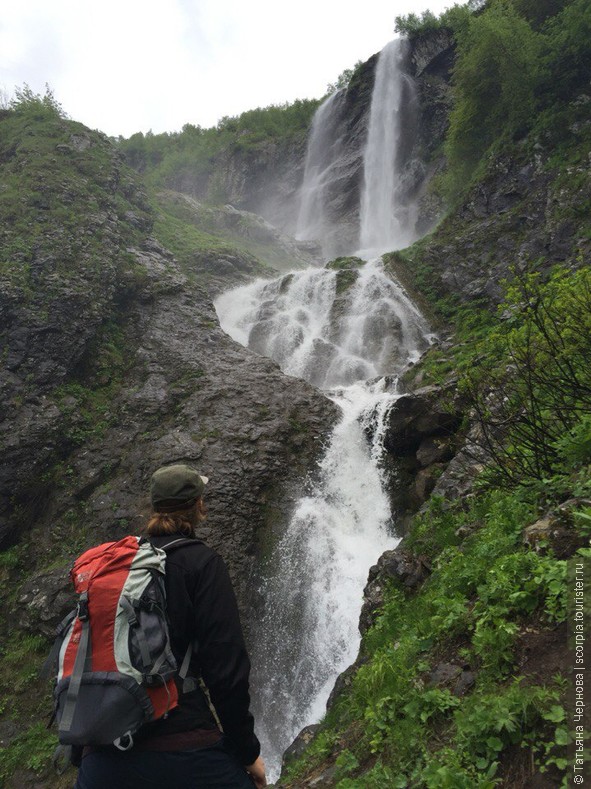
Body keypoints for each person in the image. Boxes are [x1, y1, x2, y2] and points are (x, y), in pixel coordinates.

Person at [75, 463, 267, 789]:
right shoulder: (201, 563)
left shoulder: (118, 569)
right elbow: (226, 669)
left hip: (103, 755)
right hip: (183, 747)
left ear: (153, 507)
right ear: (199, 506)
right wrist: (247, 752)